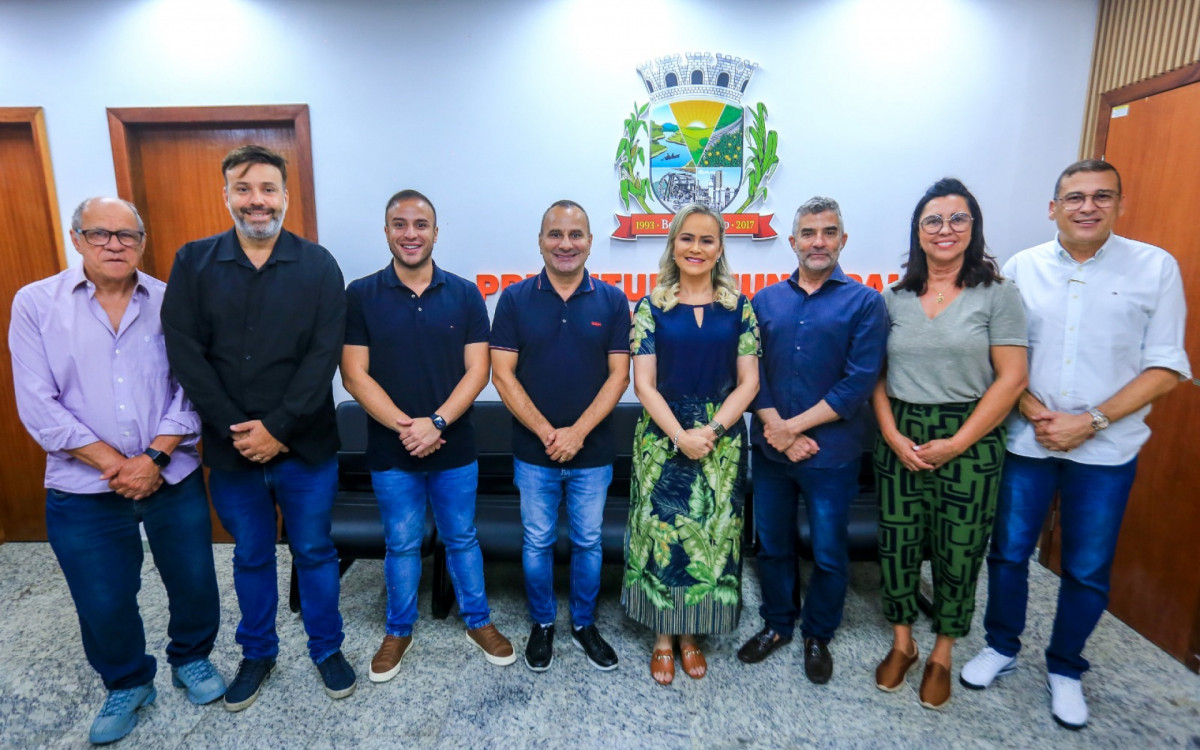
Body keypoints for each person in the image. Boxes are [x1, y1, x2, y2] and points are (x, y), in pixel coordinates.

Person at [960, 160, 1190, 730]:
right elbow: (1000, 354)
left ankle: (1066, 667)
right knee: (1009, 553)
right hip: (1027, 440)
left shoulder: (1155, 268)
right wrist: (1037, 412)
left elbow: (1167, 368)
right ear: (1053, 207)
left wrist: (1090, 420)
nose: (1087, 207)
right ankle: (1002, 648)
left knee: (1086, 567)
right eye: (1075, 197)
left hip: (1106, 450)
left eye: (1101, 197)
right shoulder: (1021, 267)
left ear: (1119, 204)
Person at [10, 197, 224, 744]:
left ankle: (192, 658)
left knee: (195, 578)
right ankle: (127, 681)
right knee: (102, 596)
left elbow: (193, 388)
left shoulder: (171, 302)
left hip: (169, 475)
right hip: (84, 486)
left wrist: (152, 458)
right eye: (100, 234)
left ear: (141, 242)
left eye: (127, 236)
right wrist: (116, 465)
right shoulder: (35, 304)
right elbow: (38, 404)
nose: (114, 244)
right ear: (76, 237)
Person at [161, 145, 354, 710]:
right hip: (231, 449)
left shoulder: (319, 264)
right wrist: (237, 428)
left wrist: (279, 429)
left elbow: (323, 357)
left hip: (307, 447)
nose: (256, 201)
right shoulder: (194, 262)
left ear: (285, 197)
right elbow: (186, 352)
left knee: (315, 551)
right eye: (243, 189)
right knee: (249, 554)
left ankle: (326, 649)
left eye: (268, 189)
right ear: (226, 197)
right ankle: (257, 653)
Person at [342, 189, 516, 681]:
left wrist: (435, 423)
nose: (411, 233)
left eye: (421, 224)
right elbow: (355, 374)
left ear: (436, 232)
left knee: (462, 537)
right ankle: (398, 629)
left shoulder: (464, 293)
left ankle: (478, 621)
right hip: (391, 448)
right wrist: (407, 426)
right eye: (400, 224)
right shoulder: (361, 294)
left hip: (454, 445)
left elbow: (477, 370)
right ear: (386, 232)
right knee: (400, 543)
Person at [871, 178, 1028, 710]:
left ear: (974, 228)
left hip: (972, 435)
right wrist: (891, 433)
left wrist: (959, 441)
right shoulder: (894, 298)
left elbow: (1011, 378)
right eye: (933, 221)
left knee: (959, 551)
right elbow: (876, 373)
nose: (945, 230)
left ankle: (942, 652)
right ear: (918, 232)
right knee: (896, 546)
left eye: (957, 219)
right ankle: (903, 644)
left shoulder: (999, 294)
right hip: (900, 432)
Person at [738, 197, 888, 684]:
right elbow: (748, 373)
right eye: (808, 232)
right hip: (771, 452)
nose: (818, 241)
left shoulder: (865, 303)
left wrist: (792, 429)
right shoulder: (764, 301)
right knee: (772, 545)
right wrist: (776, 431)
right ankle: (778, 624)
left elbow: (858, 382)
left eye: (828, 232)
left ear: (842, 240)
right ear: (793, 241)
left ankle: (818, 633)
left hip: (831, 455)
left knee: (828, 551)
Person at [490, 200, 632, 672]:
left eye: (575, 235)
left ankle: (585, 624)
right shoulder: (513, 299)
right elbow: (502, 375)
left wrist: (577, 434)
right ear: (540, 241)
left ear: (590, 241)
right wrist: (549, 433)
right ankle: (544, 623)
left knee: (590, 542)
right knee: (537, 541)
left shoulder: (612, 300)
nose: (565, 244)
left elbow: (619, 377)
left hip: (592, 453)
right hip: (535, 451)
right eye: (555, 234)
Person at [623, 203, 760, 685]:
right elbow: (644, 385)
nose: (696, 248)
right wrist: (680, 436)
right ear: (673, 245)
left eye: (706, 240)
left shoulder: (738, 308)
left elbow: (748, 383)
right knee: (663, 537)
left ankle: (692, 635)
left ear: (720, 248)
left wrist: (712, 432)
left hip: (719, 441)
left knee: (710, 538)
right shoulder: (650, 306)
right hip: (663, 439)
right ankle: (663, 636)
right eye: (687, 239)